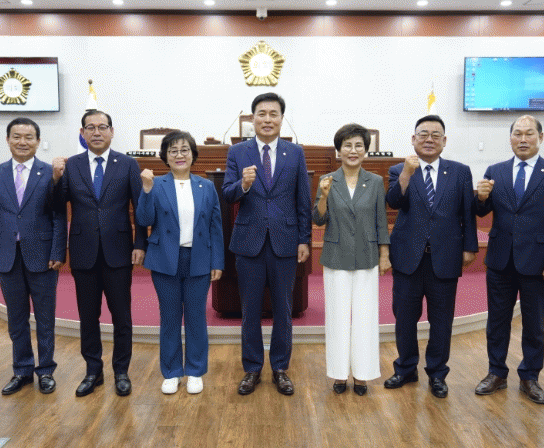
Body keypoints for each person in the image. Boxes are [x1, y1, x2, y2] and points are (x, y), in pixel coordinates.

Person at [473, 115, 544, 404]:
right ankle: (496, 372)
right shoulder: (496, 171)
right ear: (510, 138)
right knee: (497, 322)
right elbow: (481, 211)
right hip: (500, 260)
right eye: (517, 133)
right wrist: (480, 198)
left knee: (534, 324)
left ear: (541, 137)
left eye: (529, 133)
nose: (523, 139)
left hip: (538, 262)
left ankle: (530, 376)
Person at [52, 110, 147, 397]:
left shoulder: (128, 164)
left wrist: (140, 244)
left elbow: (140, 208)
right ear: (82, 133)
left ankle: (121, 371)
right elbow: (57, 206)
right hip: (83, 252)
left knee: (122, 317)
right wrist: (55, 179)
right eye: (90, 127)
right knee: (88, 317)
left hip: (119, 252)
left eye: (102, 127)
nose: (96, 132)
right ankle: (93, 371)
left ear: (112, 131)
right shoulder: (71, 165)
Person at [222, 92, 311, 396]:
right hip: (249, 242)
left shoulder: (295, 153)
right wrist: (244, 185)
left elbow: (303, 199)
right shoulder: (237, 152)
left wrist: (304, 239)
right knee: (250, 310)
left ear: (282, 118)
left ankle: (281, 368)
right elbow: (228, 193)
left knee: (283, 310)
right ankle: (252, 368)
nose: (268, 119)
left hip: (285, 242)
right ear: (253, 118)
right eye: (262, 113)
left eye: (274, 114)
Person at [0, 118, 66, 395]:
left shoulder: (50, 173)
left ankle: (45, 371)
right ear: (7, 139)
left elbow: (59, 216)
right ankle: (22, 370)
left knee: (45, 319)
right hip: (8, 256)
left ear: (37, 141)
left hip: (43, 256)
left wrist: (58, 251)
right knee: (16, 319)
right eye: (16, 136)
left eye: (28, 137)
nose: (22, 142)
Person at [384, 115, 478, 398]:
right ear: (413, 139)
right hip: (408, 257)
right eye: (423, 134)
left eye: (435, 135)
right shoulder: (399, 169)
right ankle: (405, 368)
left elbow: (467, 213)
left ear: (444, 141)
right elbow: (394, 202)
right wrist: (406, 174)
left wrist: (470, 246)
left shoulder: (460, 172)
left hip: (445, 256)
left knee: (441, 320)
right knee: (404, 318)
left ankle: (437, 374)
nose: (429, 139)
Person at [136, 130, 223, 395]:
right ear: (165, 156)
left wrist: (217, 261)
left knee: (196, 318)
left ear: (193, 154)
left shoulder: (206, 186)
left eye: (184, 149)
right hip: (165, 260)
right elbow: (144, 219)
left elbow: (215, 227)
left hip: (198, 259)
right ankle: (172, 372)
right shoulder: (156, 184)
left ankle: (195, 370)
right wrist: (146, 190)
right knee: (170, 318)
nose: (179, 155)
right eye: (173, 150)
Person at [312, 123, 391, 396]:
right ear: (339, 150)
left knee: (365, 318)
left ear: (366, 150)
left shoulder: (376, 182)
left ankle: (362, 374)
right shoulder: (327, 180)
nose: (353, 150)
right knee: (337, 317)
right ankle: (339, 373)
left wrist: (384, 255)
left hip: (367, 256)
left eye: (359, 145)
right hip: (336, 257)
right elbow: (318, 219)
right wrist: (323, 196)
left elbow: (381, 221)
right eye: (347, 145)